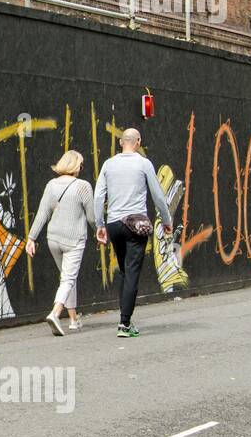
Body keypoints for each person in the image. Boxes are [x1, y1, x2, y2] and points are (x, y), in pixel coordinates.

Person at [93, 128, 173, 337]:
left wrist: (100, 225)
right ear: (138, 142)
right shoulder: (143, 163)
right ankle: (124, 324)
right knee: (132, 273)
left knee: (124, 271)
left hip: (114, 225)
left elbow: (98, 196)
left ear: (121, 142)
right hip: (136, 225)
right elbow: (157, 194)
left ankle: (124, 319)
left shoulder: (108, 164)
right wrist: (166, 220)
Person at [25, 150, 96, 336]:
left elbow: (42, 214)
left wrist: (31, 238)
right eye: (81, 164)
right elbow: (91, 217)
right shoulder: (83, 186)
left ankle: (73, 319)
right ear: (77, 166)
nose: (81, 168)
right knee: (68, 278)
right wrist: (100, 231)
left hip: (53, 239)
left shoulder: (51, 185)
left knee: (67, 278)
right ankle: (55, 314)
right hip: (74, 239)